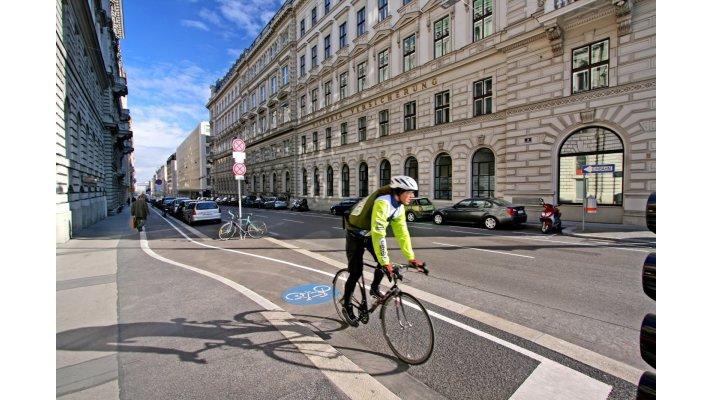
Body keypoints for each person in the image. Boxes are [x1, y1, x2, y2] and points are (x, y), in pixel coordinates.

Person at [340, 175, 426, 326]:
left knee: (384, 262)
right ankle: (347, 305)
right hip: (355, 233)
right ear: (399, 192)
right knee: (356, 272)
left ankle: (374, 288)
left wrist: (411, 258)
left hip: (370, 234)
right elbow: (379, 233)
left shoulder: (398, 206)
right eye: (410, 192)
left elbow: (402, 233)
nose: (413, 196)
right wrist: (385, 262)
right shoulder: (383, 202)